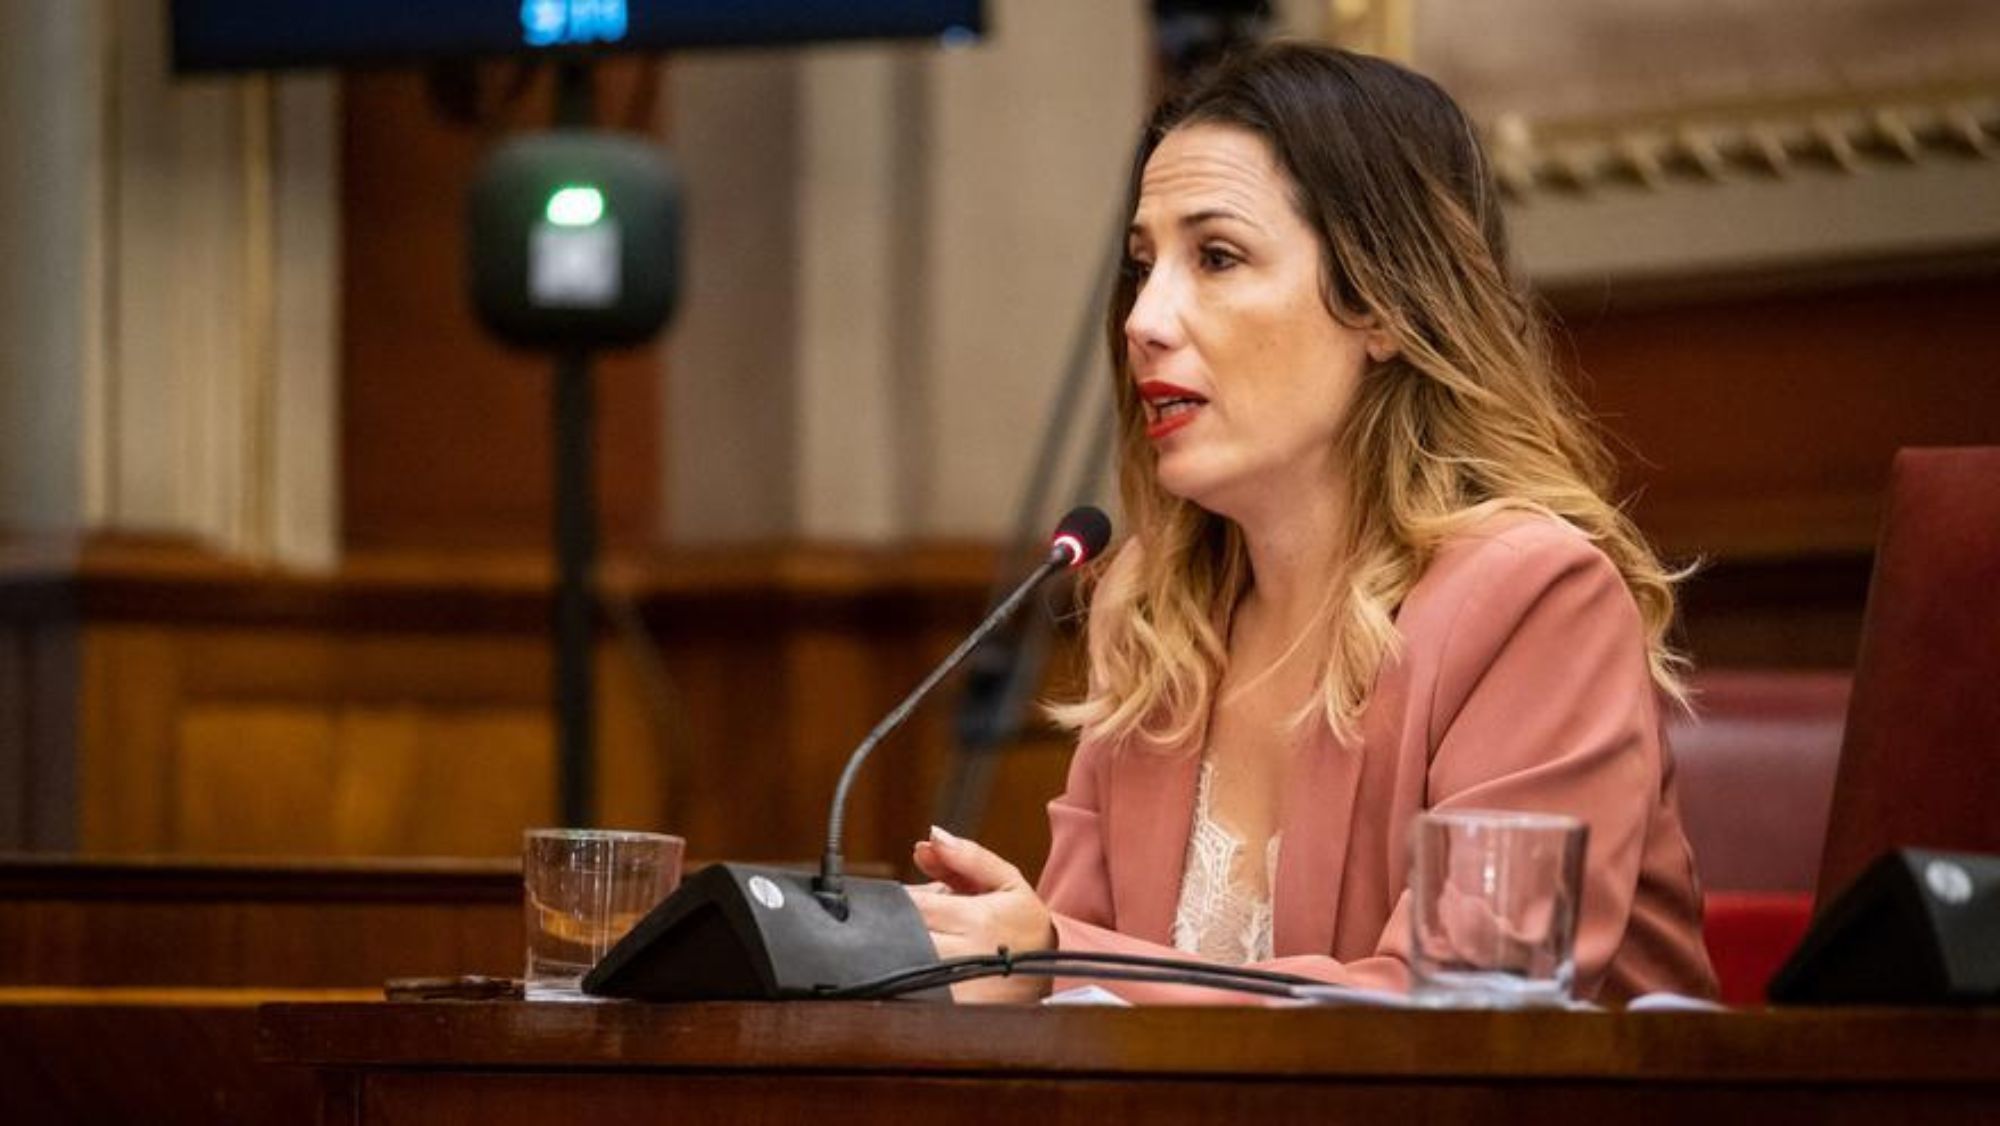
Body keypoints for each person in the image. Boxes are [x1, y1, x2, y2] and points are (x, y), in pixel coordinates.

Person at [908, 42, 1717, 1004]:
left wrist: (1045, 959)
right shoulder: (1157, 616)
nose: (1144, 319)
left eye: (1216, 257)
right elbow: (1075, 1005)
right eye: (1142, 266)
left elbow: (1466, 1006)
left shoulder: (1537, 598)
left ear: (1379, 302)